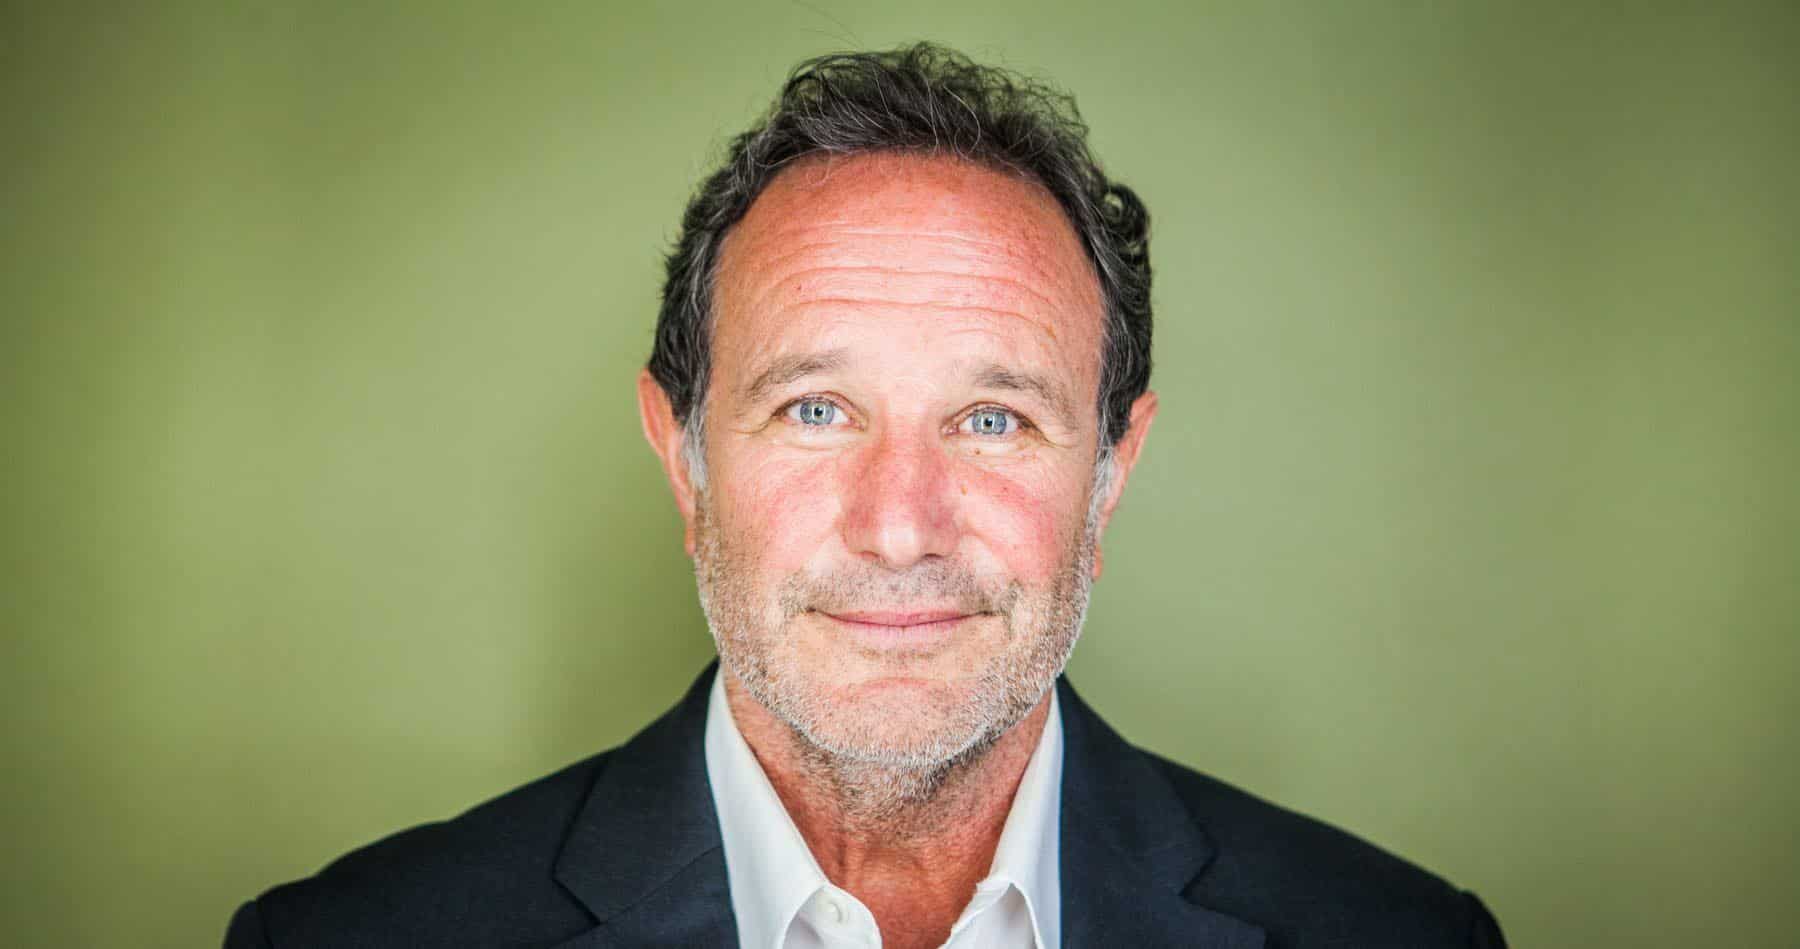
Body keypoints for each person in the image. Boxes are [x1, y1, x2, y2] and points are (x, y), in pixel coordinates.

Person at [224, 43, 1505, 948]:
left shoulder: (1401, 934)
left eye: (993, 420)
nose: (899, 527)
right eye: (815, 410)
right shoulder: (344, 939)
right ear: (684, 461)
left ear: (1112, 475)